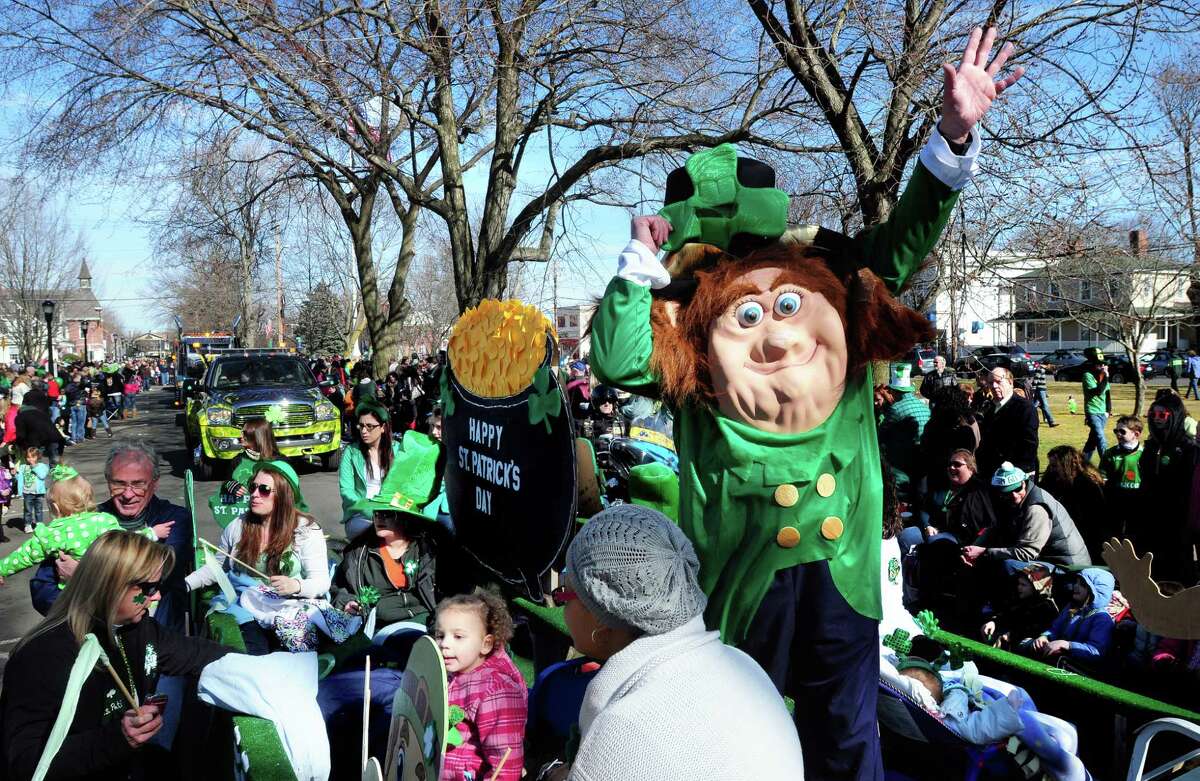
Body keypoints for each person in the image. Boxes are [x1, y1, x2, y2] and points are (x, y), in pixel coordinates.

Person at [553, 504, 805, 780]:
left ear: (601, 617)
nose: (559, 602)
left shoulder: (624, 728)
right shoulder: (746, 668)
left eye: (565, 590)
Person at [0, 530, 232, 781]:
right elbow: (25, 762)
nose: (156, 596)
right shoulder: (41, 656)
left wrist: (268, 668)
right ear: (108, 585)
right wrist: (116, 739)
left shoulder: (137, 627)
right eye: (148, 587)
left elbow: (197, 653)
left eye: (158, 586)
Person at [28, 442, 194, 629]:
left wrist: (83, 575)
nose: (128, 494)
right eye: (119, 484)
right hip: (95, 638)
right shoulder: (84, 521)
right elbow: (42, 591)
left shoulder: (173, 518)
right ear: (108, 481)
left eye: (138, 484)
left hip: (157, 638)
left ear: (154, 483)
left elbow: (163, 573)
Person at [185, 460, 329, 653]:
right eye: (252, 487)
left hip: (288, 607)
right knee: (253, 652)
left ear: (284, 495)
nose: (253, 494)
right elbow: (217, 568)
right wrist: (185, 584)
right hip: (243, 605)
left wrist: (296, 586)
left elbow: (321, 581)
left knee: (290, 657)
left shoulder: (306, 530)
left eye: (264, 489)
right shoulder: (237, 525)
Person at [0, 465, 172, 586]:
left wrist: (2, 570)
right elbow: (127, 543)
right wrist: (152, 533)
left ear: (56, 507)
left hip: (74, 595)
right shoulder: (103, 521)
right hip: (107, 586)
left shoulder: (52, 534)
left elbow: (23, 556)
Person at [436, 592, 527, 781]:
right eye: (440, 635)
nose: (444, 644)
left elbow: (506, 766)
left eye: (458, 636)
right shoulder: (454, 671)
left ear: (485, 644)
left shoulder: (497, 690)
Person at [962, 462, 1091, 570]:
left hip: (1068, 568)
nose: (1014, 495)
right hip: (1048, 560)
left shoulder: (1036, 508)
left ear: (1024, 483)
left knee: (1009, 565)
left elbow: (1027, 553)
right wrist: (972, 549)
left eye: (1017, 488)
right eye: (1006, 492)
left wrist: (984, 552)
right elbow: (995, 528)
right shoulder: (1008, 502)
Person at [1139, 392, 1198, 584]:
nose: (1156, 419)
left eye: (1162, 415)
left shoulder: (1187, 447)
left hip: (1177, 515)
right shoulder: (1151, 445)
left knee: (1178, 563)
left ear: (1174, 415)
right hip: (1152, 514)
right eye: (1153, 414)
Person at [1019, 568, 1116, 665]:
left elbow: (1096, 651)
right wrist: (1045, 637)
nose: (1076, 587)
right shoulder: (1072, 606)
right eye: (1076, 583)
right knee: (1026, 643)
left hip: (1076, 664)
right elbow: (1055, 629)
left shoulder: (1102, 618)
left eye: (1082, 585)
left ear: (1095, 591)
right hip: (1060, 653)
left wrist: (1067, 645)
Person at [340, 401, 402, 539]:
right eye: (361, 426)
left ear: (383, 427)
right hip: (360, 515)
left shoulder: (398, 450)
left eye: (369, 426)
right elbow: (347, 491)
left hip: (392, 512)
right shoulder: (351, 452)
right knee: (377, 533)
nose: (363, 431)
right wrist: (370, 511)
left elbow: (405, 486)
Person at [1038, 446, 1109, 561]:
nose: (1051, 468)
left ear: (1066, 465)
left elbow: (1094, 518)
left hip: (1085, 535)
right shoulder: (1052, 478)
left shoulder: (1088, 484)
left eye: (1055, 465)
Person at [876, 363, 931, 505]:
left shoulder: (895, 409)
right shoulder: (923, 406)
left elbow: (880, 435)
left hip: (902, 465)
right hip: (923, 462)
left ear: (895, 391)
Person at [975, 366, 1040, 480]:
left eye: (998, 382)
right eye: (991, 383)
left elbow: (1029, 445)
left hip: (1014, 476)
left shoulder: (1025, 408)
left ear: (1010, 382)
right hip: (990, 474)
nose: (994, 386)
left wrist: (1015, 474)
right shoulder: (989, 408)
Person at [980, 563, 1059, 650]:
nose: (1019, 587)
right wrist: (994, 622)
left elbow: (1033, 629)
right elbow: (1007, 615)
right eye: (1019, 584)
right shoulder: (1022, 600)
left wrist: (1011, 635)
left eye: (1023, 585)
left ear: (1036, 587)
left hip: (1025, 641)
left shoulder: (1046, 607)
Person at [220, 418, 280, 502]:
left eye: (244, 433)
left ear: (258, 435)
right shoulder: (238, 460)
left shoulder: (279, 462)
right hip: (244, 511)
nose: (240, 436)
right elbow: (227, 481)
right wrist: (231, 485)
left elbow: (290, 492)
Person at [15, 386, 67, 467]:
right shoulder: (41, 413)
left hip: (36, 440)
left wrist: (19, 445)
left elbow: (21, 435)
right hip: (53, 437)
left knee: (36, 465)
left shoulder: (21, 416)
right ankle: (61, 478)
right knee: (56, 465)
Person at [1080, 347, 1111, 462]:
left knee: (1092, 441)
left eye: (1103, 364)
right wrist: (1106, 376)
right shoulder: (1087, 376)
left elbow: (1107, 395)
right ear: (1093, 365)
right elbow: (1098, 391)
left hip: (1103, 413)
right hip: (1092, 411)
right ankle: (1107, 465)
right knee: (1101, 438)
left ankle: (1082, 463)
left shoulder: (1104, 377)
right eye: (1099, 364)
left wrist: (1108, 411)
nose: (1102, 366)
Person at [16, 445, 48, 534]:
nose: (30, 459)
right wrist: (20, 491)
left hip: (39, 493)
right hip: (27, 492)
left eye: (33, 457)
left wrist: (34, 467)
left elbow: (42, 476)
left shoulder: (42, 466)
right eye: (28, 457)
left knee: (38, 510)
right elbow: (21, 480)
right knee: (28, 510)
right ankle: (28, 524)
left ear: (37, 456)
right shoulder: (23, 467)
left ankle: (39, 524)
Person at [1030, 362, 1057, 427]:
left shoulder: (1042, 369)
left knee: (1033, 406)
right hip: (1040, 389)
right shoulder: (1040, 369)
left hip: (1041, 389)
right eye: (1050, 365)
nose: (1050, 366)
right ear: (1047, 364)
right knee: (1045, 405)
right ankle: (1051, 421)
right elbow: (1036, 380)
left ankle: (1028, 418)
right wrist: (1033, 389)